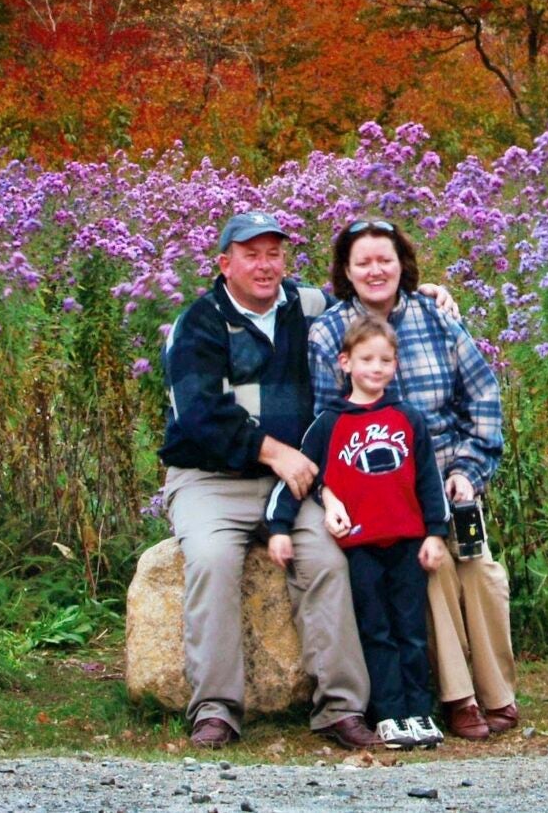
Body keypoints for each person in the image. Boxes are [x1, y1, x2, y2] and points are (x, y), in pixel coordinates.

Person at [158, 210, 375, 750]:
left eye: (274, 253)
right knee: (211, 560)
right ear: (224, 263)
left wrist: (428, 294)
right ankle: (216, 710)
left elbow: (373, 315)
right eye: (251, 254)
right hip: (212, 480)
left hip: (293, 483)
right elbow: (199, 415)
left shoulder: (309, 306)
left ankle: (341, 708)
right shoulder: (199, 323)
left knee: (327, 558)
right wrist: (276, 452)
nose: (264, 265)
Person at [309, 216, 520, 741]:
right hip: (381, 496)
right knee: (436, 570)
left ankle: (500, 696)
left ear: (403, 262)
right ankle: (459, 699)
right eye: (363, 262)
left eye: (386, 259)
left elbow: (484, 397)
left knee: (479, 569)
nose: (376, 270)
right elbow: (326, 426)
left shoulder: (438, 316)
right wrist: (335, 494)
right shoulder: (328, 331)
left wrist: (468, 472)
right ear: (346, 271)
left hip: (448, 477)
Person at [267, 316, 450, 751]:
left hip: (406, 542)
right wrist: (279, 527)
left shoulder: (408, 418)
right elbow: (301, 477)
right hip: (361, 548)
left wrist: (436, 533)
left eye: (386, 359)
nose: (377, 367)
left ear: (396, 364)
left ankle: (418, 712)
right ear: (345, 362)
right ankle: (387, 713)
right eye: (367, 359)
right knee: (376, 630)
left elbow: (429, 479)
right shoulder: (329, 424)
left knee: (410, 629)